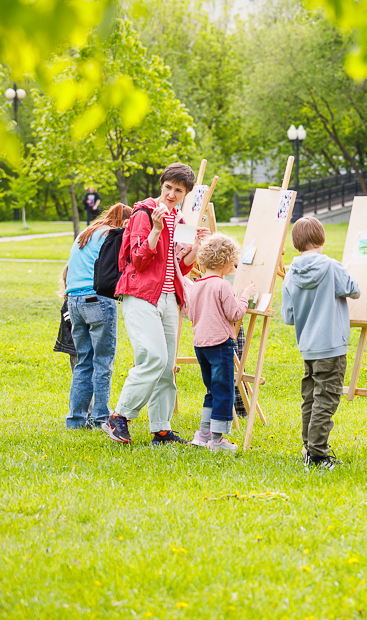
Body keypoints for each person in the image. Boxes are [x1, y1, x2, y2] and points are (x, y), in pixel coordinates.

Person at [103, 163, 206, 445]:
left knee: (168, 366)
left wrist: (196, 248)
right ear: (161, 186)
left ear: (186, 194)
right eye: (168, 187)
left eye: (178, 190)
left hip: (170, 297)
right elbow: (137, 259)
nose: (172, 194)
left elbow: (178, 269)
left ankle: (161, 429)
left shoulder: (181, 221)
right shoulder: (144, 214)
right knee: (154, 358)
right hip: (140, 294)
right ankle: (119, 416)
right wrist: (157, 229)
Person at [281, 217, 360, 469]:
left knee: (311, 398)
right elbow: (354, 290)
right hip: (332, 345)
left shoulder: (289, 274)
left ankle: (308, 446)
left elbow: (288, 317)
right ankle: (317, 454)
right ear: (321, 239)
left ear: (296, 243)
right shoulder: (332, 267)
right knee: (326, 399)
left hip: (308, 346)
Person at [183, 233, 257, 453]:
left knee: (211, 389)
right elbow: (235, 314)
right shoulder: (222, 285)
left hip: (200, 344)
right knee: (224, 389)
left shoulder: (196, 285)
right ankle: (217, 439)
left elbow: (190, 314)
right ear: (226, 262)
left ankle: (204, 433)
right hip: (220, 344)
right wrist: (244, 296)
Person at [64, 203, 130, 430]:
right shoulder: (114, 235)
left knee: (83, 362)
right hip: (97, 299)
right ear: (125, 223)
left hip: (73, 301)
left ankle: (75, 419)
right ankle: (101, 417)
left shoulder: (87, 232)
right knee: (103, 362)